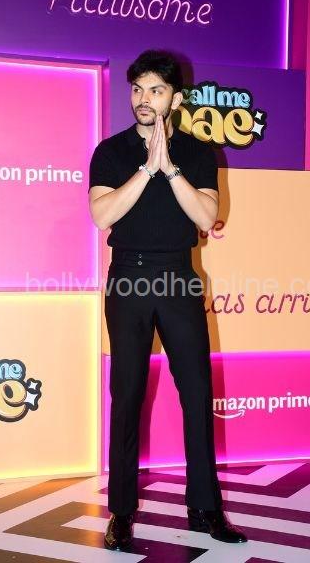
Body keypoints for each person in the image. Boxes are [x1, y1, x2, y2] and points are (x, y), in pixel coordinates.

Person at [88, 50, 247, 551]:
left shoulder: (199, 153)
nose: (143, 99)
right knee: (127, 394)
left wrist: (170, 169)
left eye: (155, 90)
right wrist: (146, 169)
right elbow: (101, 215)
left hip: (179, 277)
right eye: (137, 89)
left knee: (196, 393)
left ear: (176, 99)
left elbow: (205, 217)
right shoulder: (111, 151)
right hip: (128, 280)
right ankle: (121, 513)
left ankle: (205, 508)